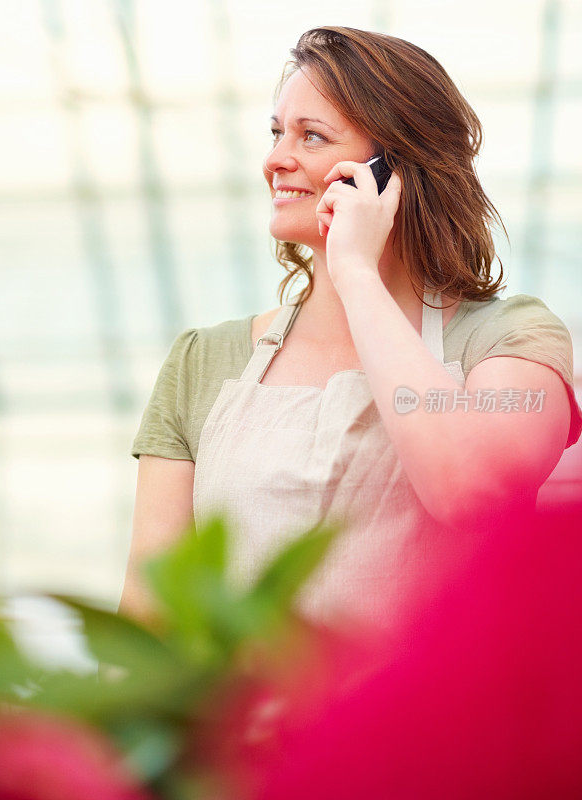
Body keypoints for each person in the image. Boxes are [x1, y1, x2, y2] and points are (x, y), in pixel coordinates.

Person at [121, 27, 582, 633]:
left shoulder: (511, 338)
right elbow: (149, 610)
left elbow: (472, 494)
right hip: (244, 725)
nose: (276, 158)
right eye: (276, 132)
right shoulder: (204, 360)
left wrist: (357, 273)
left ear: (394, 169)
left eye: (311, 136)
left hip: (425, 726)